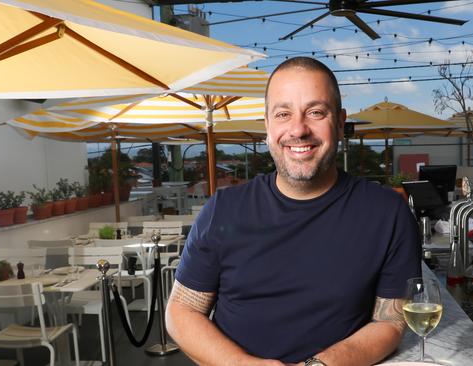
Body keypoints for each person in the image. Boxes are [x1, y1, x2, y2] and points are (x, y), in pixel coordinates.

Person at [166, 57, 421, 366]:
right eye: (283, 113)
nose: (298, 130)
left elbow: (390, 322)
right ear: (267, 126)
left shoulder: (388, 213)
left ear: (340, 122)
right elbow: (181, 311)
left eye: (315, 112)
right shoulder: (223, 210)